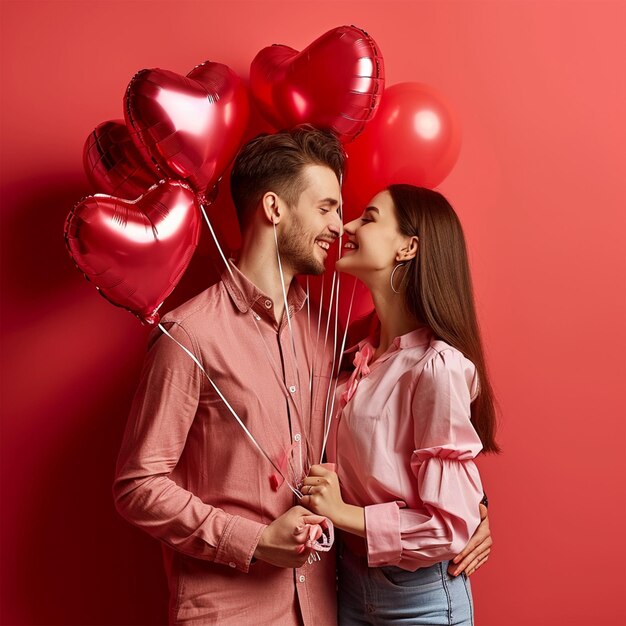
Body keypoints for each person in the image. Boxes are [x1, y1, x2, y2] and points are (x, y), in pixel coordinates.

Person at [113, 128, 492, 625]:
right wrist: (252, 541)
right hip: (232, 612)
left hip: (327, 607)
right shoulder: (191, 334)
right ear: (274, 208)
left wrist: (473, 508)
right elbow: (138, 484)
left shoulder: (327, 337)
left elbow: (395, 421)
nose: (340, 226)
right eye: (327, 208)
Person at [301, 185, 499, 625]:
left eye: (368, 218)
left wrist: (341, 513)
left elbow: (448, 528)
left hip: (419, 598)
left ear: (409, 247)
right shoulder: (357, 358)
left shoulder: (438, 366)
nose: (347, 227)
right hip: (348, 585)